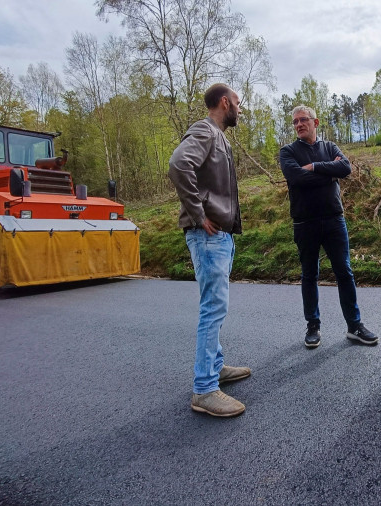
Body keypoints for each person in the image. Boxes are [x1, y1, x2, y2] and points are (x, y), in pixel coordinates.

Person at [168, 83, 251, 417]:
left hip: (219, 237)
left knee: (216, 305)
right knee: (213, 308)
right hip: (208, 236)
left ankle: (214, 368)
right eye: (238, 103)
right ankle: (204, 389)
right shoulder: (205, 131)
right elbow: (178, 165)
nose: (240, 108)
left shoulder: (219, 135)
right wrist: (199, 214)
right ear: (224, 102)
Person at [278, 105, 378, 349]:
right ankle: (313, 326)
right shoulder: (287, 151)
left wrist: (314, 167)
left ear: (316, 122)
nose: (299, 124)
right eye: (295, 122)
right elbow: (296, 178)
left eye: (303, 120)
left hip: (334, 219)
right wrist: (329, 172)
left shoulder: (330, 147)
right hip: (304, 222)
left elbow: (345, 168)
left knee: (344, 272)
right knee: (309, 274)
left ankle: (354, 325)